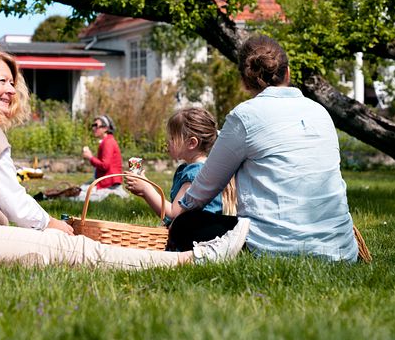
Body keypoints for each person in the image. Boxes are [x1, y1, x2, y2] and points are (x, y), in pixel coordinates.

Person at [0, 45, 250, 268]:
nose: (11, 90)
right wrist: (50, 226)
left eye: (13, 82)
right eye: (2, 81)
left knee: (38, 246)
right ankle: (189, 260)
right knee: (68, 248)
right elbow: (14, 201)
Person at [176, 35, 359, 262]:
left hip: (273, 248)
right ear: (288, 72)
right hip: (340, 249)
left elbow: (205, 188)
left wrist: (179, 212)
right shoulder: (320, 112)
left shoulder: (244, 117)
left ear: (244, 81)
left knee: (185, 226)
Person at [125, 107, 239, 251]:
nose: (168, 141)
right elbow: (170, 215)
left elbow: (173, 213)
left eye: (173, 138)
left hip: (195, 241)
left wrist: (146, 190)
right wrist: (145, 188)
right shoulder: (190, 169)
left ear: (192, 143)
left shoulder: (196, 173)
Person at [77, 114, 127, 201]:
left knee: (79, 196)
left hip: (109, 184)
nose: (94, 128)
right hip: (105, 181)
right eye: (93, 125)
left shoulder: (108, 142)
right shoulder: (106, 141)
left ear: (106, 128)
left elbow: (105, 165)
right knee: (80, 190)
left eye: (96, 125)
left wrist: (90, 157)